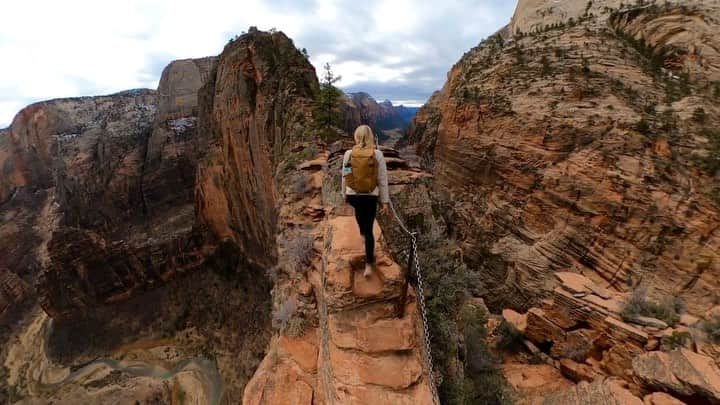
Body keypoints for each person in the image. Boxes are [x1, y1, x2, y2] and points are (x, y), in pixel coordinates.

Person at [341, 125, 390, 277]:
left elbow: (345, 175)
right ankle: (369, 264)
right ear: (370, 138)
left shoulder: (348, 154)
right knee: (369, 229)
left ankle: (362, 235)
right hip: (370, 196)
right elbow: (382, 179)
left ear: (356, 137)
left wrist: (344, 194)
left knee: (359, 215)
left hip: (353, 195)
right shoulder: (377, 154)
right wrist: (385, 201)